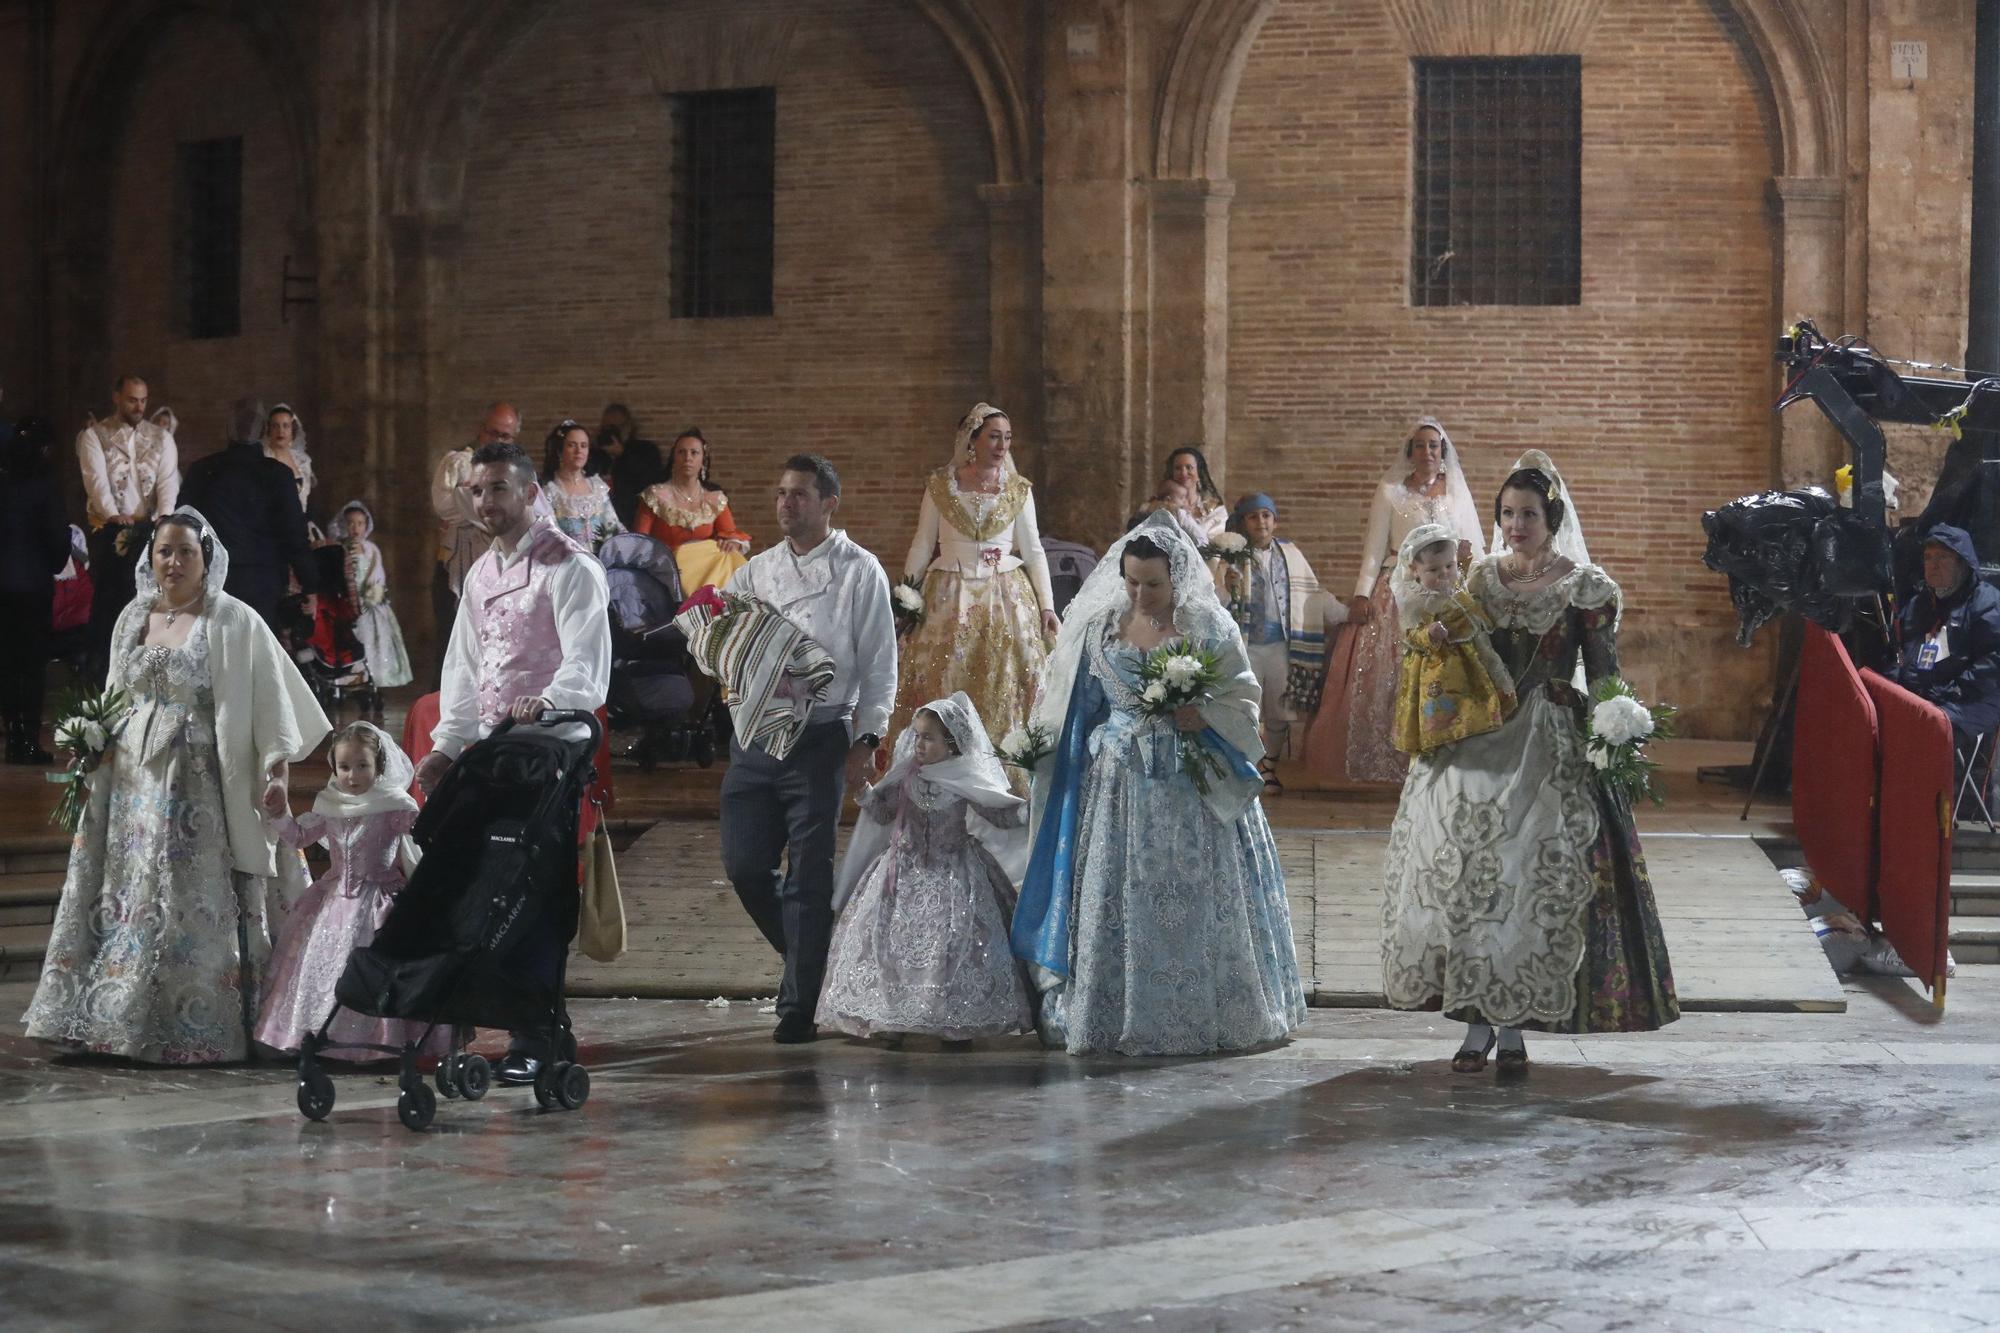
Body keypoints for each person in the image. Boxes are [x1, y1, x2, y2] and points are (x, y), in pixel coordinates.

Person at [1381, 453, 1678, 1074]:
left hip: (1549, 741)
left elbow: (1603, 675)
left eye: (1529, 515)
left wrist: (1613, 732)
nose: (1517, 525)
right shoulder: (1482, 579)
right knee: (1470, 880)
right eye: (1508, 514)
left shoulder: (1583, 586)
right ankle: (1475, 1024)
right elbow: (1444, 639)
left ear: (1553, 518)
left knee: (1526, 882)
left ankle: (1513, 1029)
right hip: (1480, 740)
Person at [22, 507, 330, 1063]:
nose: (174, 561)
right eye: (165, 550)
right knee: (132, 892)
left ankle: (198, 1021)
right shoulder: (131, 618)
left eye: (186, 551)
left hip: (201, 784)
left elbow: (272, 702)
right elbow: (116, 695)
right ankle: (117, 1015)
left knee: (190, 899)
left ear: (206, 558)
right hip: (132, 785)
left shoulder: (232, 619)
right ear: (151, 557)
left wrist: (277, 771)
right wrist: (93, 740)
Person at [1011, 511, 1307, 1056]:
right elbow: (1078, 710)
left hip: (1190, 782)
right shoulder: (1101, 629)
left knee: (1197, 894)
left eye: (1153, 584)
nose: (1141, 594)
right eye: (1131, 582)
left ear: (1176, 579)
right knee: (1120, 897)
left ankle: (1206, 1007)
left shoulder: (1206, 626)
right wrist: (1044, 752)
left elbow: (1243, 697)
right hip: (1120, 786)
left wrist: (1204, 713)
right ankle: (1117, 1009)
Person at [415, 441, 610, 1084]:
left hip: (551, 755)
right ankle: (510, 1022)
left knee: (538, 892)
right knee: (491, 892)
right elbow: (463, 669)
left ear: (530, 493)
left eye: (498, 488)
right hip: (494, 757)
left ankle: (544, 1035)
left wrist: (550, 704)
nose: (485, 502)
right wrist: (447, 747)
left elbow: (588, 665)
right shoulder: (481, 574)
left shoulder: (571, 566)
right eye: (476, 490)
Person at [720, 454, 896, 1045]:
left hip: (821, 736)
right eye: (780, 493)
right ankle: (817, 962)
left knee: (809, 875)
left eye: (799, 494)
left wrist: (866, 740)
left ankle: (798, 1003)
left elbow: (879, 666)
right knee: (745, 866)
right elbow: (729, 641)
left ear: (828, 505)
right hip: (754, 736)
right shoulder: (755, 570)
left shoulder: (859, 570)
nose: (785, 504)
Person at [817, 692, 1034, 1045]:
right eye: (916, 735)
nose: (918, 744)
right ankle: (891, 1016)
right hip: (903, 870)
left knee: (955, 939)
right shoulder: (906, 778)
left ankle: (953, 1018)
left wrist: (1029, 809)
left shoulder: (964, 780)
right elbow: (884, 814)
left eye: (928, 737)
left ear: (951, 743)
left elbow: (997, 812)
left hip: (954, 871)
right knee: (888, 940)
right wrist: (864, 791)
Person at [1303, 415, 1486, 785]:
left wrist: (1477, 592)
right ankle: (1389, 760)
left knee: (1440, 675)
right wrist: (1360, 593)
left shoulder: (1456, 492)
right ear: (1410, 451)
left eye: (1434, 446)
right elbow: (1373, 550)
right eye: (1420, 445)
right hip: (1398, 590)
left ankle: (1438, 757)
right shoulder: (1390, 491)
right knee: (1391, 677)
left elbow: (1473, 546)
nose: (1428, 452)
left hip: (1445, 590)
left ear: (1443, 451)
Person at [254, 721, 450, 1059]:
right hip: (331, 901)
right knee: (318, 967)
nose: (353, 776)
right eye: (345, 767)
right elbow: (299, 838)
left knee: (372, 965)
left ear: (378, 767)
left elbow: (423, 831)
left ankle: (380, 1042)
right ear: (334, 767)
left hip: (378, 899)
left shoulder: (393, 806)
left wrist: (435, 799)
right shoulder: (330, 804)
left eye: (362, 766)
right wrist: (279, 813)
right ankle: (314, 1037)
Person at [895, 403, 1058, 747]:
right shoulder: (941, 486)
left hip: (1006, 597)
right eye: (994, 437)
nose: (1002, 446)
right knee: (945, 677)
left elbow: (1034, 552)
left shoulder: (1018, 490)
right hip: (949, 595)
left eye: (1007, 438)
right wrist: (906, 602)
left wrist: (1047, 606)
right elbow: (922, 546)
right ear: (973, 440)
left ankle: (1007, 761)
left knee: (1007, 680)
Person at [179, 397, 320, 633]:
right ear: (264, 430)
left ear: (228, 428)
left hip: (213, 579)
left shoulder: (202, 470)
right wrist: (310, 584)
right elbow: (294, 535)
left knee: (216, 658)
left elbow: (181, 525)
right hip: (263, 583)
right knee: (257, 658)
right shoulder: (277, 475)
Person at [77, 375, 180, 681]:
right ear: (117, 398)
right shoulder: (95, 435)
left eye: (143, 400)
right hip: (112, 532)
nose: (139, 406)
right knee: (113, 606)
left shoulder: (161, 437)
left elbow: (168, 480)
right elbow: (95, 480)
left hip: (152, 532)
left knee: (154, 607)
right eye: (132, 399)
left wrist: (165, 515)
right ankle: (109, 677)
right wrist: (111, 514)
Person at [1225, 492, 1337, 773]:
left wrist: (1346, 614)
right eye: (1253, 516)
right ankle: (1246, 766)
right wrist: (1227, 586)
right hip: (1245, 644)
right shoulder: (1230, 557)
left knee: (1279, 711)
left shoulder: (1290, 553)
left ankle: (1270, 767)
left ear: (1275, 521)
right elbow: (1214, 601)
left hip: (1280, 646)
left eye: (1266, 515)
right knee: (1244, 708)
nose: (1260, 522)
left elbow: (1313, 594)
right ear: (1242, 522)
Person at [1390, 523, 1515, 755]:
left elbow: (1462, 577)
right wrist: (1429, 633)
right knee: (1448, 699)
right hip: (1441, 663)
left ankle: (1476, 729)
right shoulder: (1417, 601)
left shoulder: (1454, 583)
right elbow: (1409, 634)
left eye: (1450, 566)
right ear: (1415, 570)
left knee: (1477, 694)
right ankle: (1445, 736)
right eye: (1433, 570)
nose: (1444, 574)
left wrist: (1464, 559)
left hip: (1471, 651)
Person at [1888, 524, 2000, 753]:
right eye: (1928, 557)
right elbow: (1897, 652)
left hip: (1973, 699)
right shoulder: (1919, 605)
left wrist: (1948, 692)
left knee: (1927, 732)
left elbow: (1992, 664)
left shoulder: (1987, 603)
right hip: (1925, 697)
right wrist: (1893, 690)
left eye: (1943, 557)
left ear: (1962, 563)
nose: (1933, 565)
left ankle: (1945, 788)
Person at [0, 417, 73, 763]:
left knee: (6, 663)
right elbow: (59, 541)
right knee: (30, 667)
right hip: (32, 589)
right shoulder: (45, 486)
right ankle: (26, 740)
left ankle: (11, 730)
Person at [429, 401, 521, 670]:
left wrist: (472, 501)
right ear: (481, 431)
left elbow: (524, 515)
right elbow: (443, 505)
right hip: (456, 568)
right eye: (494, 433)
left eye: (506, 436)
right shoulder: (458, 462)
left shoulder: (517, 470)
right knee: (452, 647)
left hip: (501, 572)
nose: (499, 441)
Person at [634, 428, 751, 592]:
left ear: (703, 460)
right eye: (681, 452)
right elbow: (639, 542)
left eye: (694, 453)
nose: (687, 458)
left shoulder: (714, 500)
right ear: (674, 458)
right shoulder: (655, 496)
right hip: (664, 574)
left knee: (731, 561)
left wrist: (730, 544)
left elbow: (730, 534)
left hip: (706, 576)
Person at [333, 499, 414, 689]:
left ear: (366, 525)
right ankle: (351, 676)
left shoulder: (371, 549)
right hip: (349, 599)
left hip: (369, 601)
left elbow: (377, 573)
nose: (355, 528)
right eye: (351, 523)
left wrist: (374, 592)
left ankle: (377, 677)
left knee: (376, 637)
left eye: (360, 523)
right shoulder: (341, 548)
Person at [541, 418, 625, 553]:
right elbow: (547, 537)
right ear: (559, 451)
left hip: (601, 564)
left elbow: (614, 526)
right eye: (572, 445)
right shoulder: (550, 492)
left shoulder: (597, 486)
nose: (579, 450)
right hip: (568, 566)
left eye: (584, 445)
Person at [1135, 446, 1228, 544]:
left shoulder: (1215, 510)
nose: (1183, 473)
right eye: (1178, 468)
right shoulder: (1155, 506)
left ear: (1199, 473)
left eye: (1189, 467)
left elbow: (1213, 548)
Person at [597, 402, 665, 529]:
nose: (611, 432)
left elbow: (652, 482)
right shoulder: (595, 454)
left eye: (615, 427)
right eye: (606, 427)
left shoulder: (645, 450)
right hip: (601, 522)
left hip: (633, 518)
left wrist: (622, 454)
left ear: (627, 427)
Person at [262, 402, 316, 518]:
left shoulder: (302, 461)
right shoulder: (262, 459)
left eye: (285, 426)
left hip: (299, 524)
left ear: (293, 430)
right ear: (269, 429)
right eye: (275, 426)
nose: (280, 431)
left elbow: (304, 502)